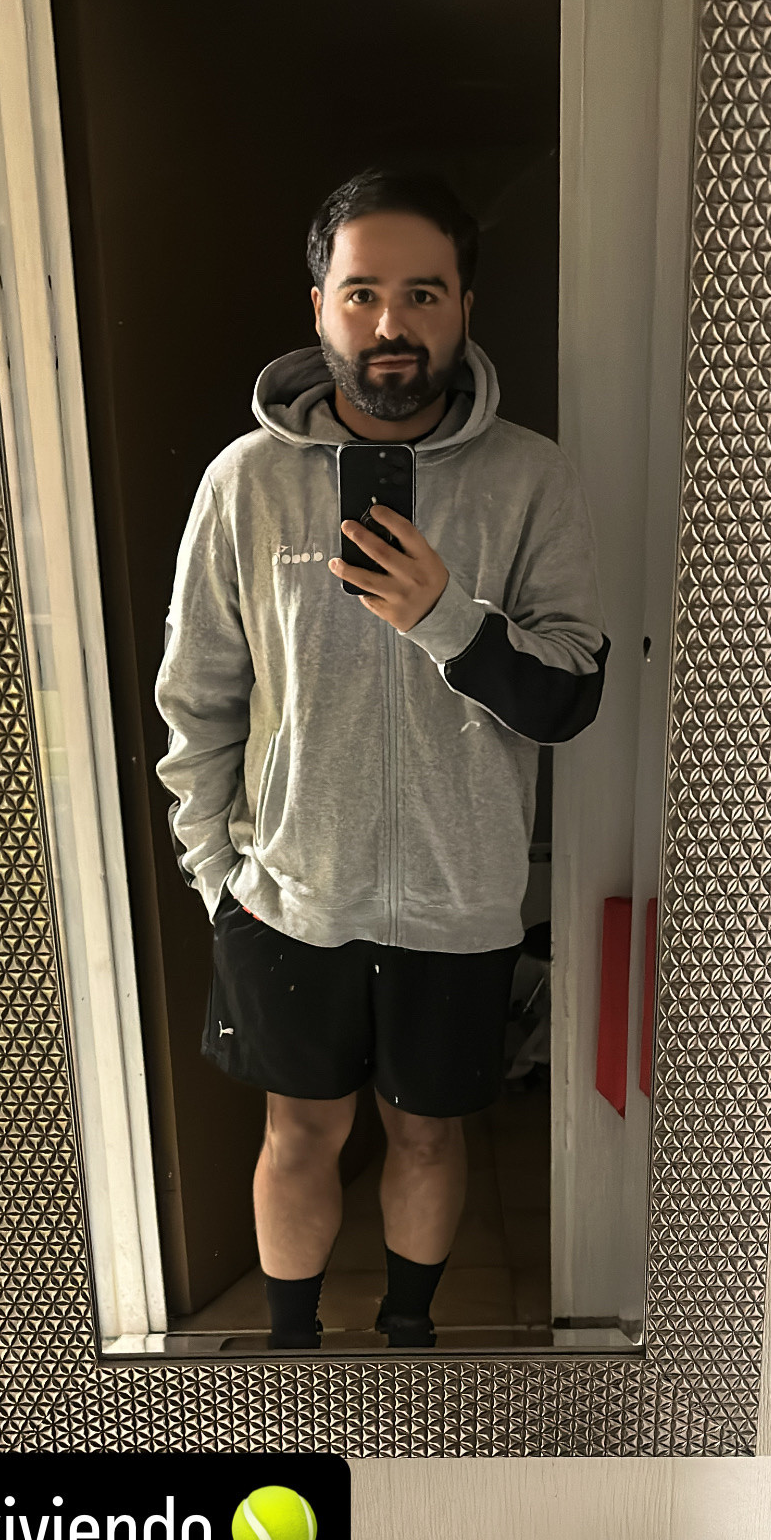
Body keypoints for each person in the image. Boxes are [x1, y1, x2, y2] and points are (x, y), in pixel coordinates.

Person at [155, 168, 608, 1351]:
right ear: (319, 307)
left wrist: (446, 616)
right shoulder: (245, 483)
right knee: (298, 1132)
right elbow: (198, 698)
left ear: (465, 306)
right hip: (288, 893)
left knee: (427, 1132)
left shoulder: (530, 479)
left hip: (459, 902)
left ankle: (410, 1334)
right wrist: (217, 874)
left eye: (423, 292)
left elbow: (571, 695)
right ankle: (293, 1348)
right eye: (362, 293)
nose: (392, 322)